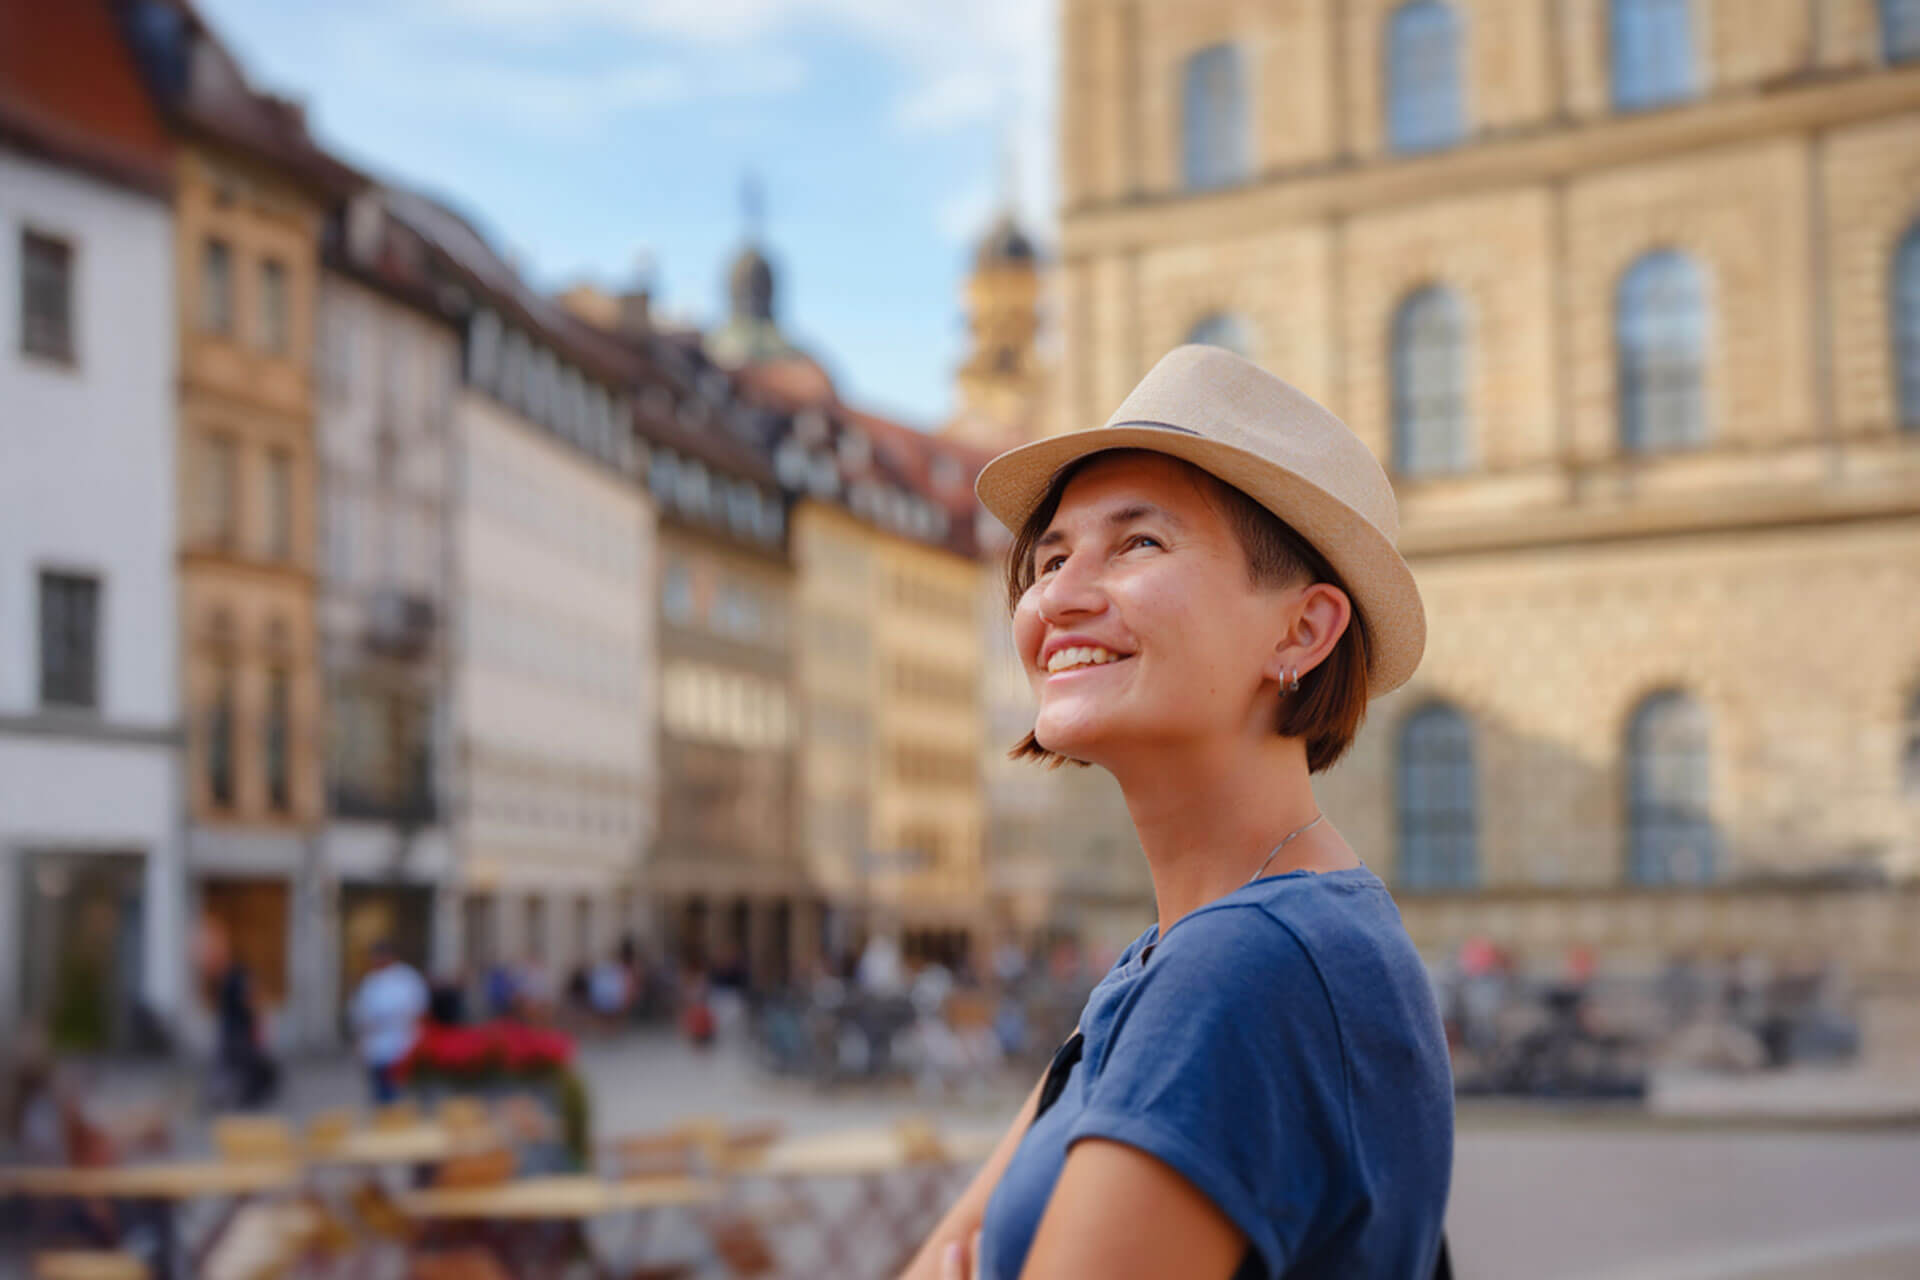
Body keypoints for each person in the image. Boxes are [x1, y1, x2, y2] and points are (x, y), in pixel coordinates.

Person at [906, 346, 1453, 1279]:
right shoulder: (1176, 959)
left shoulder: (1243, 970)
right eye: (1050, 558)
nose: (1058, 599)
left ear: (1303, 630)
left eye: (1139, 543)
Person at [350, 939, 429, 1105]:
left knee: (399, 1095)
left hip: (401, 1044)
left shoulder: (406, 978)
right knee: (380, 1095)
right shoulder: (370, 981)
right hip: (375, 1046)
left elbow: (418, 1009)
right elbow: (360, 1013)